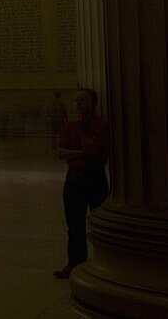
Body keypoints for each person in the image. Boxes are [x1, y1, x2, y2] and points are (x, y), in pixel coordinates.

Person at [53, 87, 109, 279]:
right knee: (74, 224)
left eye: (82, 100)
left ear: (94, 103)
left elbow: (98, 153)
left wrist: (79, 151)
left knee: (100, 221)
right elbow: (61, 152)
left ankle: (106, 262)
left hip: (95, 178)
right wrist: (82, 152)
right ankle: (75, 264)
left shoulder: (102, 125)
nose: (78, 104)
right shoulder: (70, 126)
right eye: (77, 101)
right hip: (74, 178)